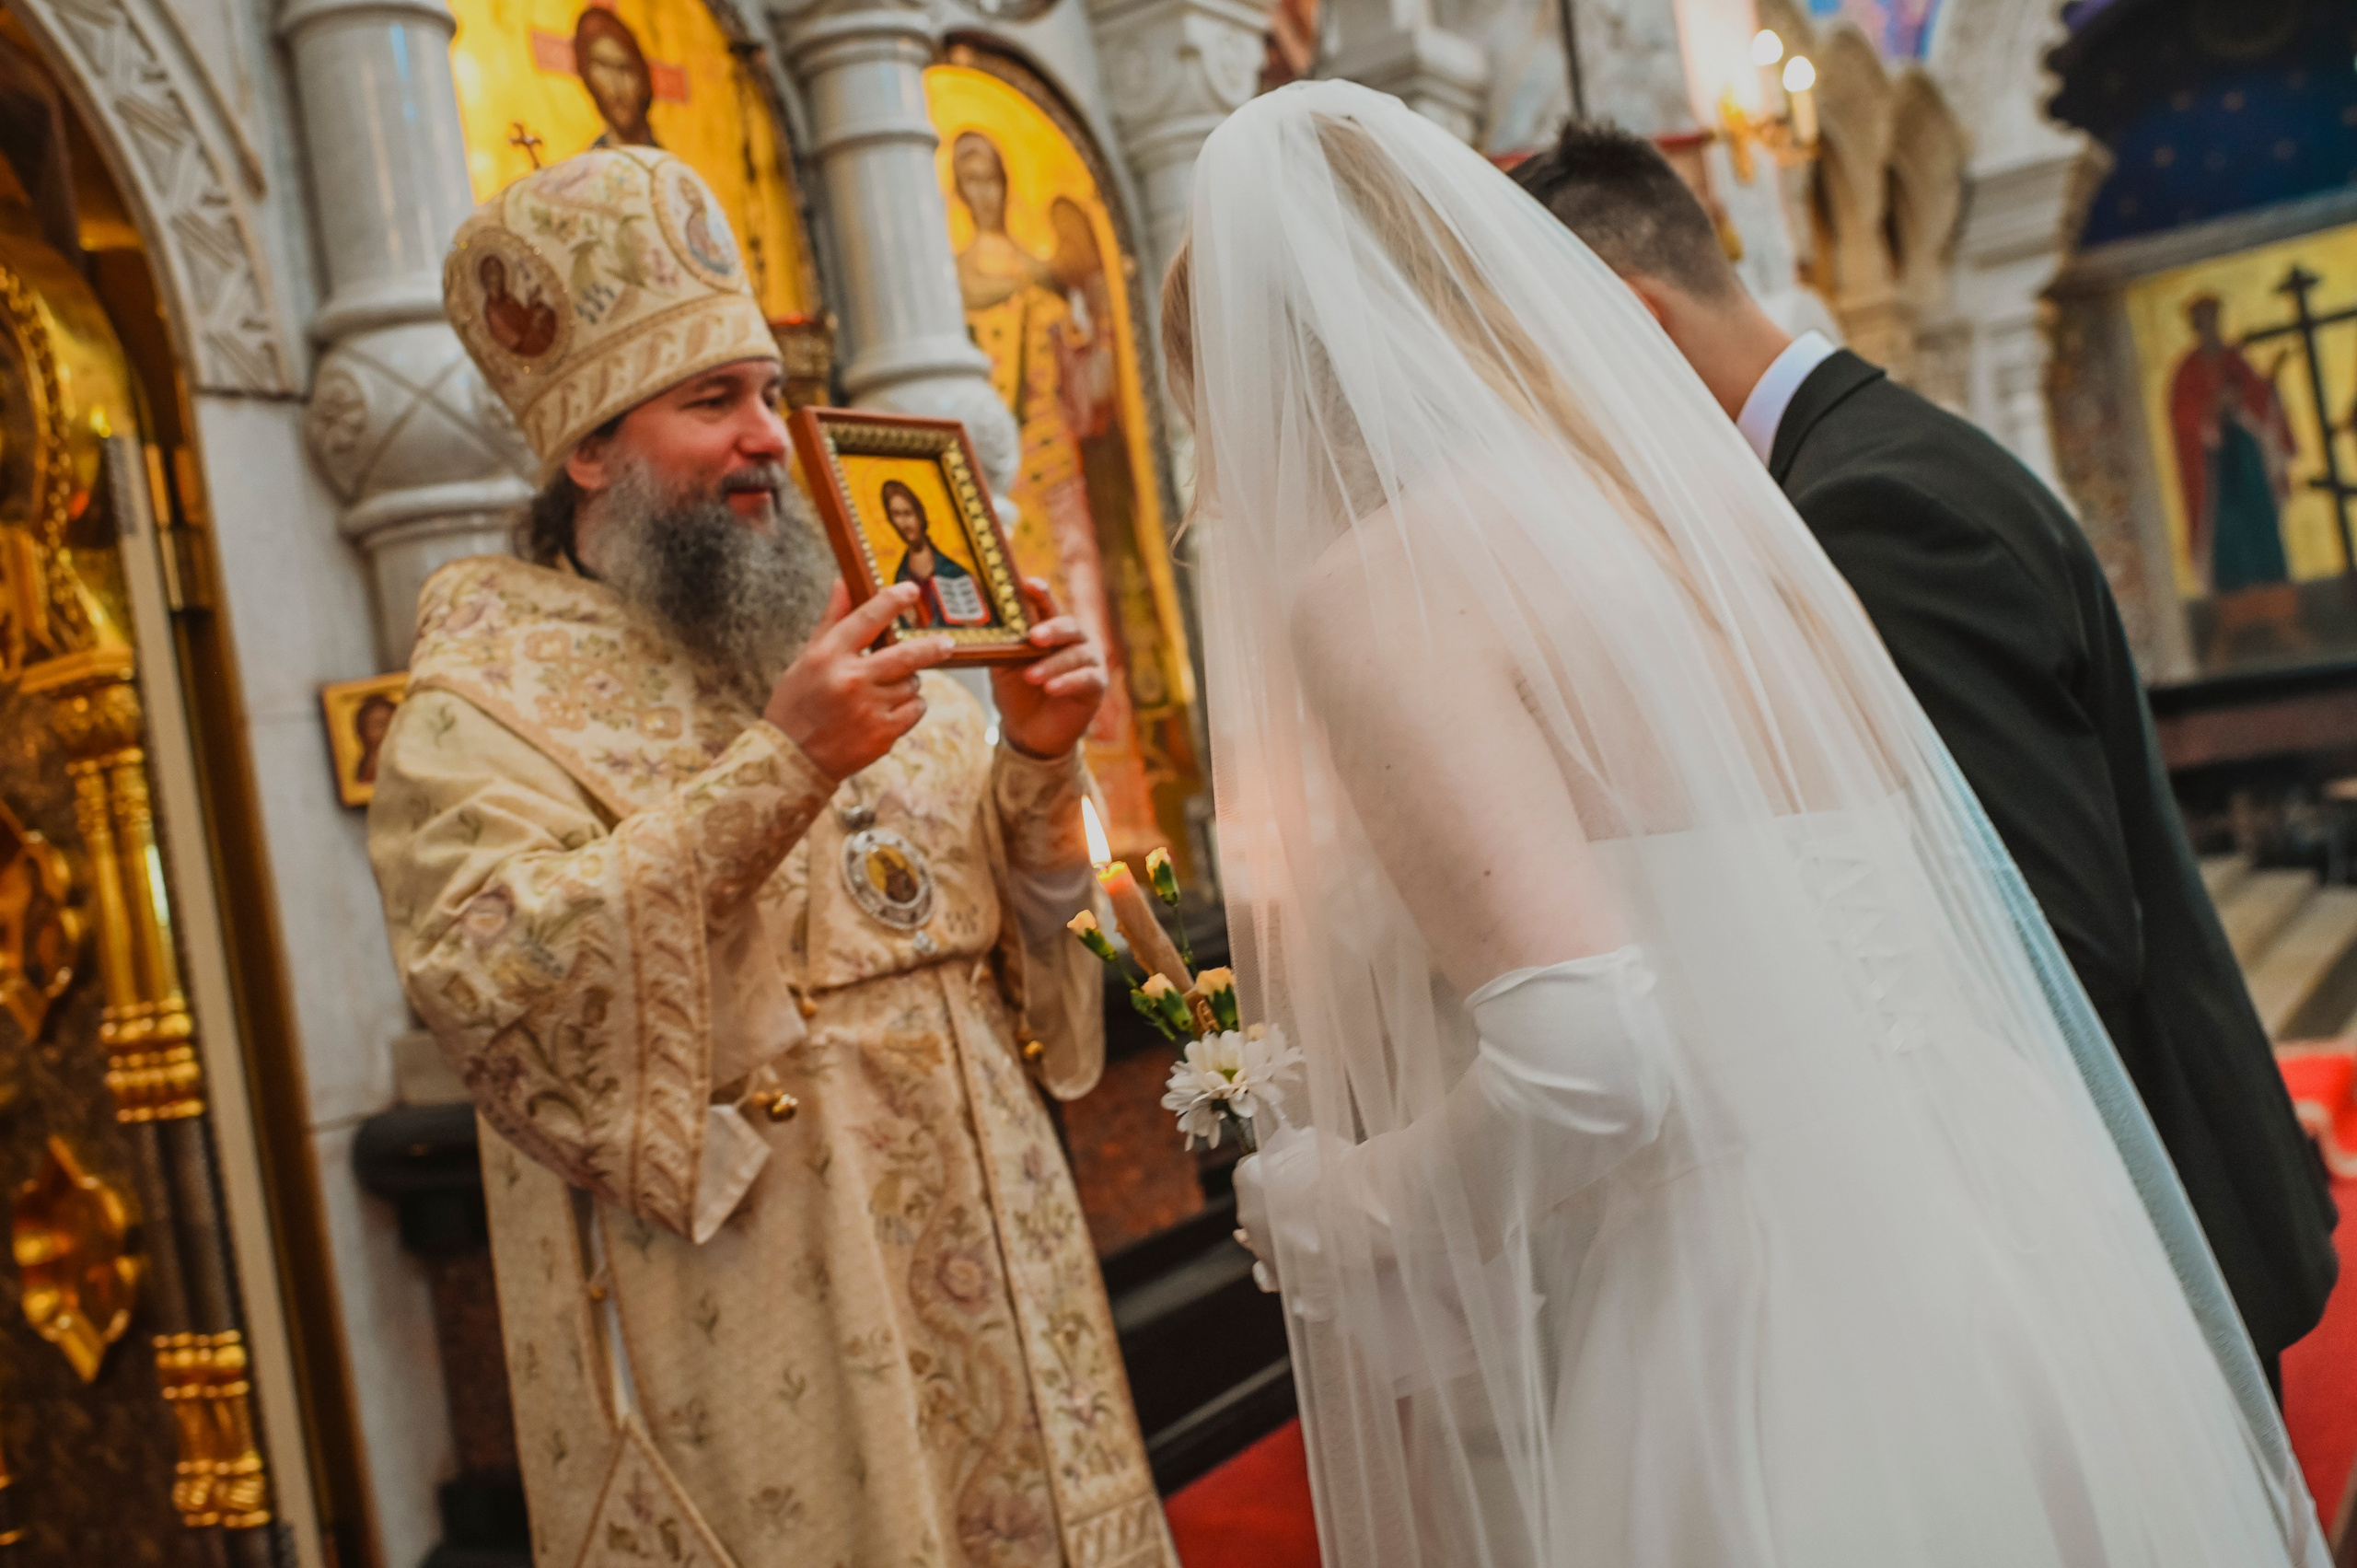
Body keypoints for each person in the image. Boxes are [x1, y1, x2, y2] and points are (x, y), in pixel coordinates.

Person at [1167, 82, 2327, 1567]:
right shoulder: (1722, 525)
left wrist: (1348, 1201)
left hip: (1767, 1301)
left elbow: (1592, 1057)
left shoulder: (1386, 589)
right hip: (2024, 1224)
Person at [372, 145, 1177, 1567]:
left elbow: (1013, 928)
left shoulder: (828, 615)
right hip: (773, 1300)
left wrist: (1037, 756)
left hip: (1005, 1260)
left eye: (768, 393)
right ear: (589, 448)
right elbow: (496, 980)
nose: (768, 437)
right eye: (712, 402)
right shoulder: (484, 700)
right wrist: (783, 766)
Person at [1508, 120, 2336, 1395]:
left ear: (1638, 326)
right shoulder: (1881, 453)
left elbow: (2052, 930)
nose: (1570, 447)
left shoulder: (1867, 514)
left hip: (2131, 1223)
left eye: (1555, 385)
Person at [2170, 294, 2295, 593]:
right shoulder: (2187, 370)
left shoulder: (2233, 360)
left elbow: (2257, 397)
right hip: (2214, 467)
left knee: (2260, 529)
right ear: (2195, 326)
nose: (2210, 326)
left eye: (2213, 319)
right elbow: (2182, 417)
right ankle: (2231, 618)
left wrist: (2267, 384)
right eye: (2203, 321)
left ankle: (2279, 609)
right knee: (2225, 534)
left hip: (2248, 457)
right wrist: (2213, 407)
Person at [880, 477, 991, 627]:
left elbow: (984, 625)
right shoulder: (900, 575)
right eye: (896, 515)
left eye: (907, 513)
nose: (904, 523)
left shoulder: (953, 571)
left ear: (919, 515)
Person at [574, 6, 658, 149]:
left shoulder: (668, 168)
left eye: (624, 68)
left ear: (642, 79)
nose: (616, 86)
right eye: (604, 66)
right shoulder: (587, 167)